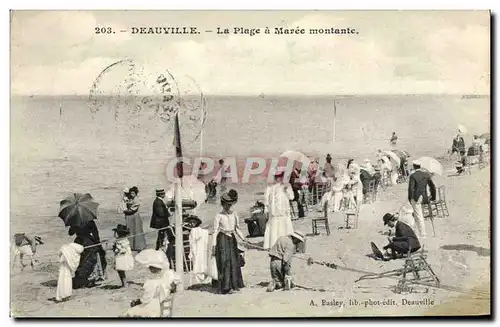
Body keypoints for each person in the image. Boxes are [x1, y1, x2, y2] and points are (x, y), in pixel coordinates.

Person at [124, 250, 181, 318]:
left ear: (152, 268)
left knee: (128, 313)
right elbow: (177, 279)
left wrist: (138, 301)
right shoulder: (168, 276)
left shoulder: (151, 282)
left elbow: (146, 299)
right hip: (164, 308)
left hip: (152, 310)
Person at [212, 189, 245, 294]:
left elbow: (237, 228)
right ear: (222, 204)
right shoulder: (219, 215)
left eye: (230, 205)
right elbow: (215, 231)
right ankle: (226, 287)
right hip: (222, 239)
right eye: (226, 205)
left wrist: (243, 239)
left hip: (232, 239)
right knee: (224, 262)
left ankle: (234, 284)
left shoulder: (234, 214)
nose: (228, 207)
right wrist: (213, 245)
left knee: (234, 261)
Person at [70, 220, 107, 289]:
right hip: (88, 241)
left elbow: (70, 233)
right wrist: (98, 244)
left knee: (80, 260)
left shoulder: (75, 221)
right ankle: (91, 277)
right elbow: (95, 233)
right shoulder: (90, 221)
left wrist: (74, 226)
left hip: (78, 242)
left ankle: (80, 277)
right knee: (91, 259)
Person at [263, 168, 295, 249]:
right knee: (274, 226)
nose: (278, 178)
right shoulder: (270, 187)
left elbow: (292, 197)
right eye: (277, 176)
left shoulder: (287, 186)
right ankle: (273, 244)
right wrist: (266, 209)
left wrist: (287, 189)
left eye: (280, 176)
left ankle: (285, 244)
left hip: (283, 212)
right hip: (274, 212)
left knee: (284, 226)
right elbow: (266, 200)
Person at [407, 160, 437, 238]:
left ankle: (423, 234)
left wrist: (410, 198)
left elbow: (411, 189)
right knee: (418, 215)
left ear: (414, 166)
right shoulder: (426, 174)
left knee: (418, 215)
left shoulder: (413, 176)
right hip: (424, 197)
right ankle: (417, 232)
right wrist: (433, 197)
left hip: (416, 198)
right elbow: (432, 187)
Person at [123, 186, 146, 252]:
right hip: (130, 216)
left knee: (137, 230)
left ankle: (138, 246)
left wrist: (125, 211)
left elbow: (132, 210)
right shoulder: (130, 198)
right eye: (131, 193)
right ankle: (131, 245)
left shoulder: (137, 200)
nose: (132, 194)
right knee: (130, 230)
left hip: (134, 216)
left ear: (136, 193)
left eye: (133, 193)